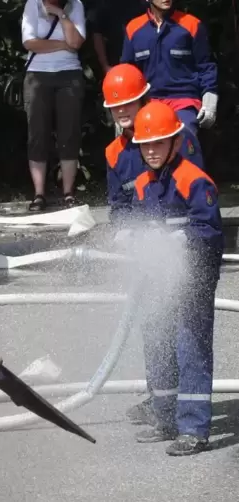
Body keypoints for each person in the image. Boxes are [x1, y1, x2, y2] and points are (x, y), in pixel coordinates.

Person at [127, 101, 222, 456]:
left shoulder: (195, 181)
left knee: (190, 346)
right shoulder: (141, 185)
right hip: (157, 279)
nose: (151, 151)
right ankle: (164, 418)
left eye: (159, 143)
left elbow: (209, 229)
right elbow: (141, 226)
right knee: (157, 343)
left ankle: (194, 428)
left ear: (176, 143)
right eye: (146, 145)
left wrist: (183, 240)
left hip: (194, 278)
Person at [104, 63, 203, 225]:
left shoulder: (176, 135)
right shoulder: (113, 153)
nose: (121, 111)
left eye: (128, 103)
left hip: (183, 230)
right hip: (142, 237)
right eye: (115, 107)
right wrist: (126, 229)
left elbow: (198, 195)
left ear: (143, 100)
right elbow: (119, 206)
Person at [21, 0, 86, 212]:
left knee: (69, 132)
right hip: (38, 75)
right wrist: (62, 44)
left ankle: (68, 192)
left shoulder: (75, 4)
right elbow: (30, 42)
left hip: (69, 74)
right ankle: (39, 194)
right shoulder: (32, 4)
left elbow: (75, 42)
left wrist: (61, 14)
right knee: (37, 133)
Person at [121, 0, 218, 135]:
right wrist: (122, 108)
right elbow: (126, 73)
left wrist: (210, 102)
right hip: (147, 103)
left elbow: (206, 66)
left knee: (182, 140)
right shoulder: (133, 28)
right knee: (141, 147)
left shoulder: (192, 25)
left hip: (184, 101)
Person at [89, 0, 147, 74]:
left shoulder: (141, 6)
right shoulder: (104, 7)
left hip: (141, 61)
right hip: (115, 63)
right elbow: (97, 35)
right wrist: (105, 65)